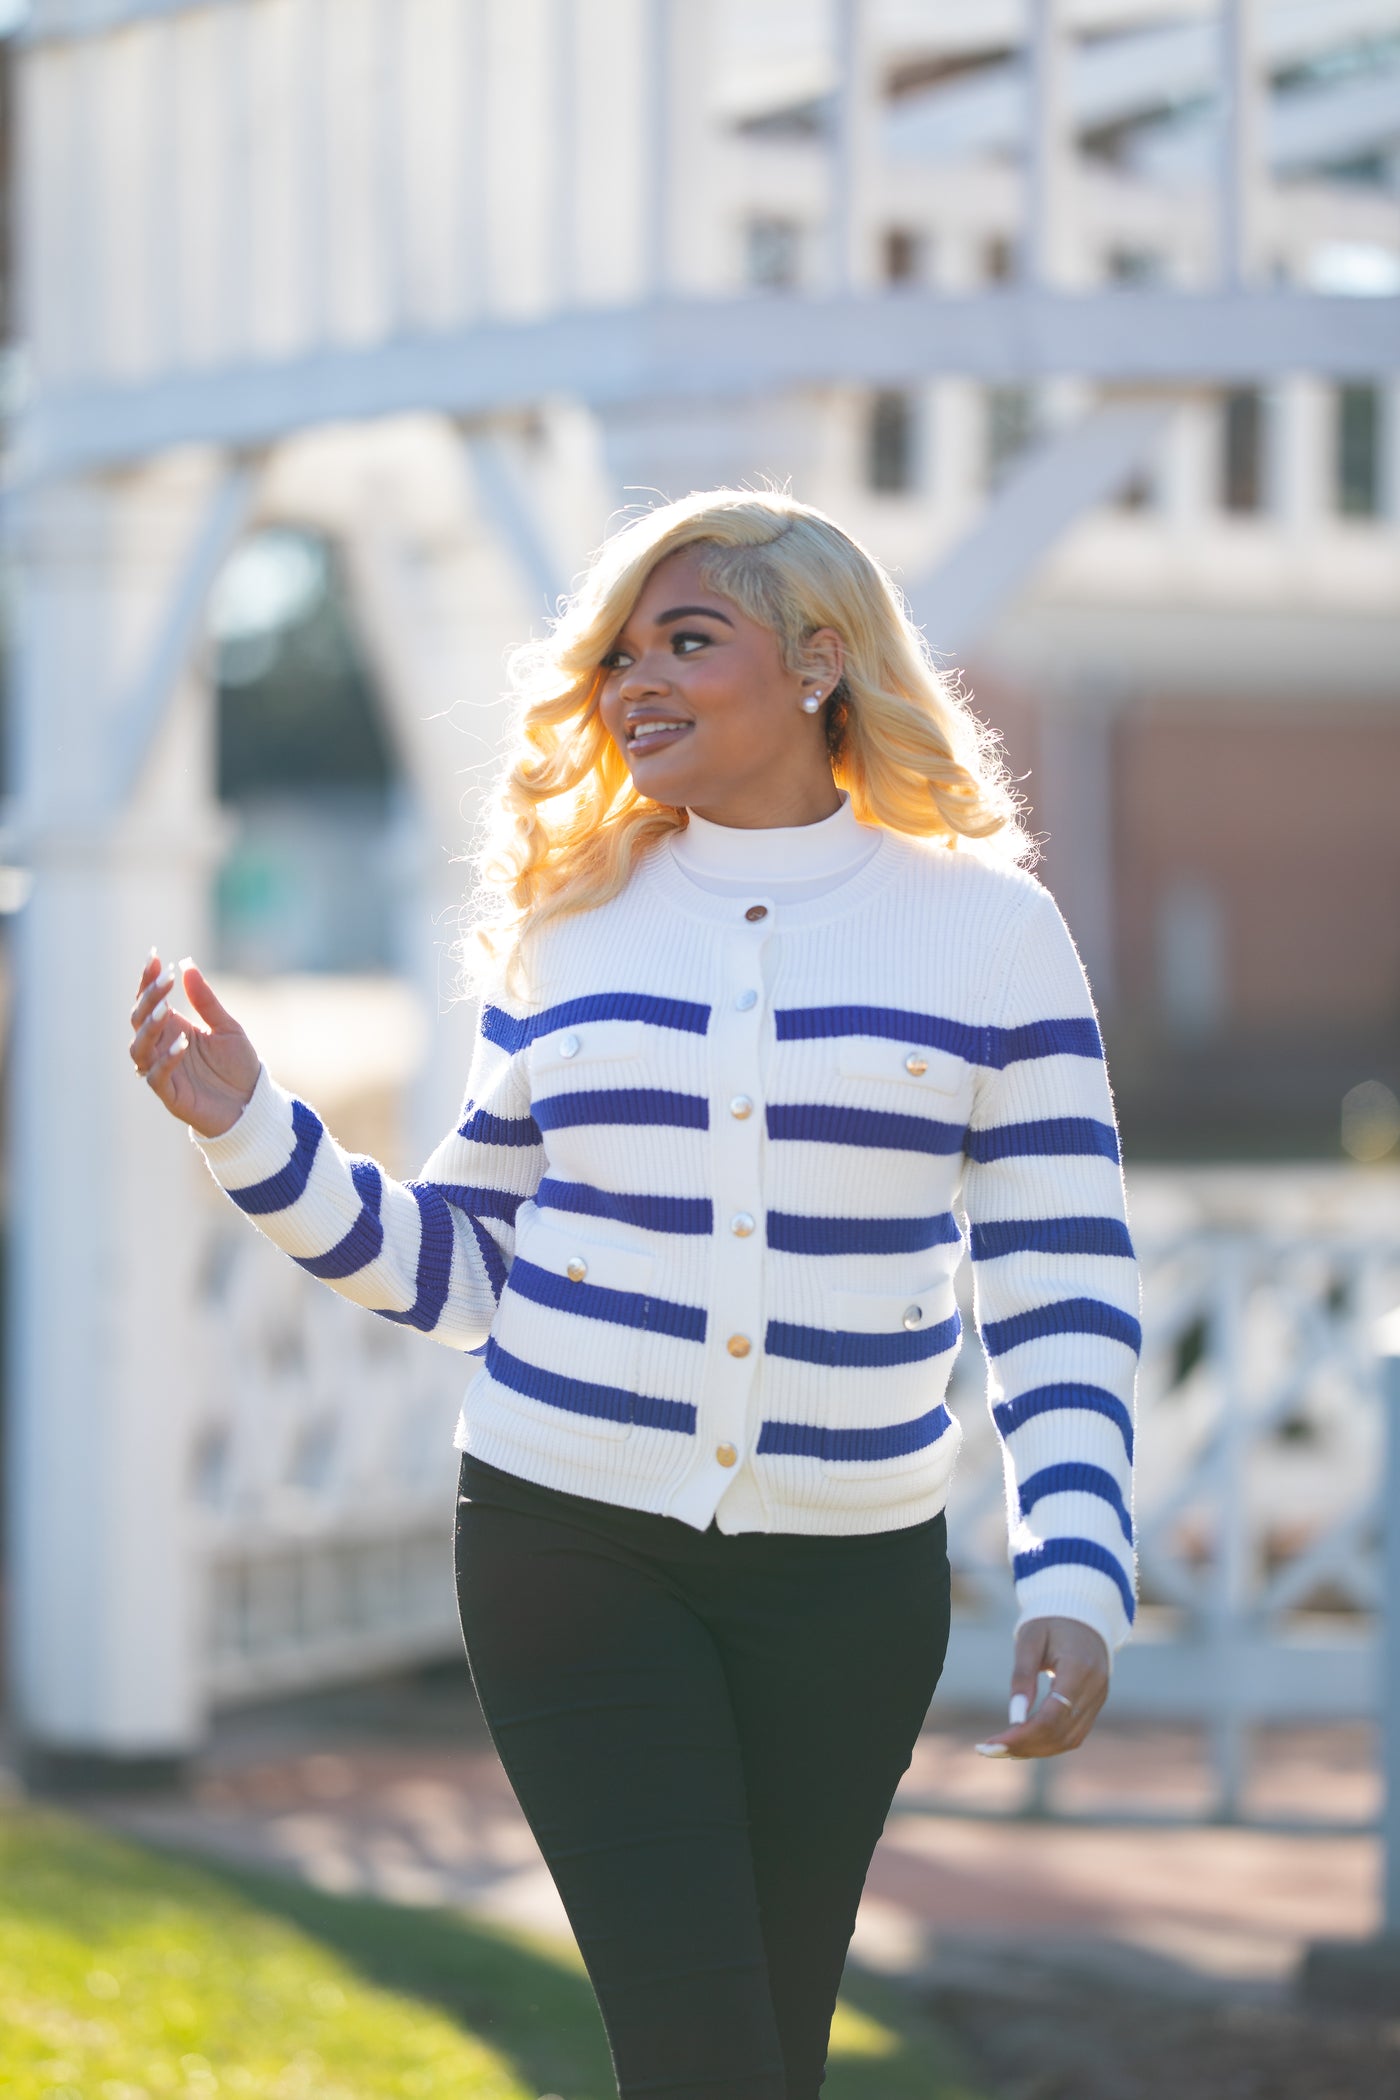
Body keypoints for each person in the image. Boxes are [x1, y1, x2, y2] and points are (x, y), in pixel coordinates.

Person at [130, 489, 1138, 2100]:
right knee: (705, 2062)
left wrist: (1077, 1565)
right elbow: (455, 1270)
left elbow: (1060, 1281)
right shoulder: (571, 927)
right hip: (569, 1547)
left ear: (821, 661)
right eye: (614, 653)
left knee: (765, 2063)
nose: (633, 683)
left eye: (687, 639)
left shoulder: (993, 941)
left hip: (850, 1587)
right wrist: (254, 1127)